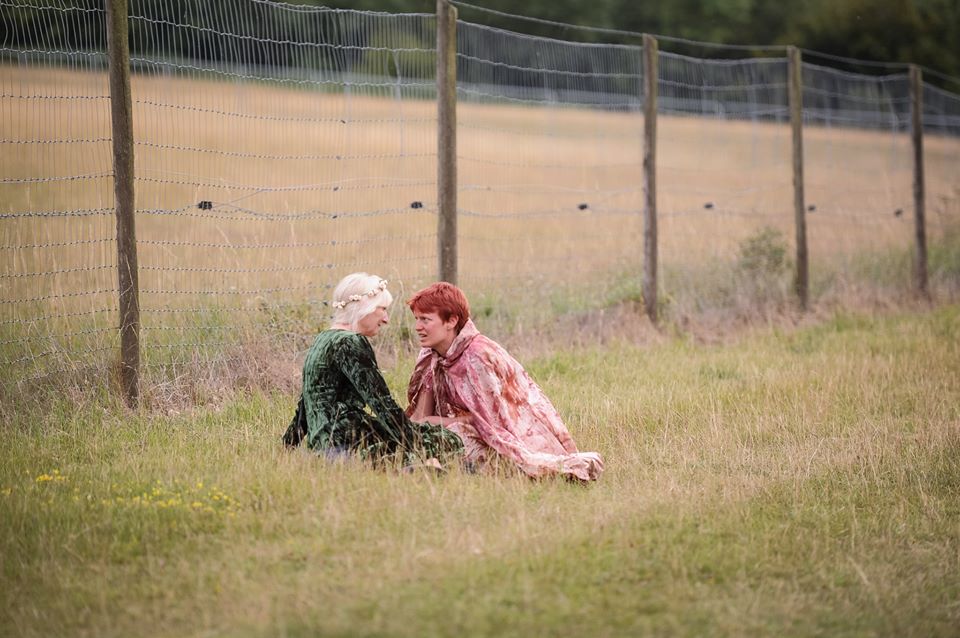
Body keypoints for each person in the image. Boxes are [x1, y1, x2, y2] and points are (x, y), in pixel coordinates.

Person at [406, 282, 603, 481]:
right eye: (416, 319)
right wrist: (432, 425)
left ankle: (575, 465)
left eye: (425, 319)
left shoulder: (477, 357)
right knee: (426, 436)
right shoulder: (431, 354)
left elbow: (494, 423)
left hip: (514, 431)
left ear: (451, 321)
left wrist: (447, 423)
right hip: (471, 427)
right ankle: (435, 466)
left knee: (455, 436)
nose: (418, 327)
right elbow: (420, 417)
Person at [283, 273, 463, 467]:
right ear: (363, 308)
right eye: (382, 309)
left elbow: (306, 403)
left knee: (423, 434)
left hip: (324, 447)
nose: (385, 319)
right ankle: (412, 467)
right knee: (447, 440)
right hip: (348, 443)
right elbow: (381, 403)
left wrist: (287, 447)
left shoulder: (323, 339)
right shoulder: (351, 342)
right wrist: (418, 447)